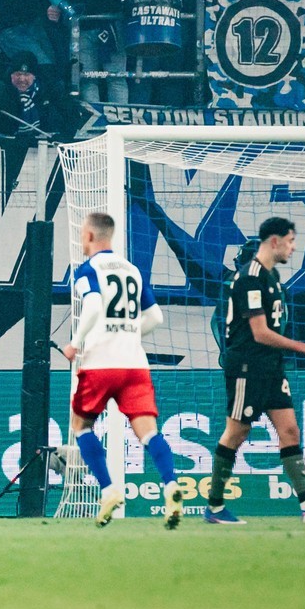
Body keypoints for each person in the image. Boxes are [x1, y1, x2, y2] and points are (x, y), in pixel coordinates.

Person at [205, 216, 305, 525]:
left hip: (271, 367)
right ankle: (214, 507)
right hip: (247, 367)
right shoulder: (250, 277)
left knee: (289, 430)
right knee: (237, 432)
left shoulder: (272, 276)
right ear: (274, 241)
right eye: (290, 241)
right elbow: (260, 332)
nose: (294, 247)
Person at [60, 212, 185, 528]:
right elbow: (155, 317)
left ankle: (109, 489)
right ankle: (170, 484)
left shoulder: (87, 270)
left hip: (101, 363)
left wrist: (75, 343)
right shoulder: (132, 270)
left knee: (81, 425)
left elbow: (92, 305)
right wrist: (128, 333)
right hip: (134, 364)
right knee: (148, 432)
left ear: (88, 236)